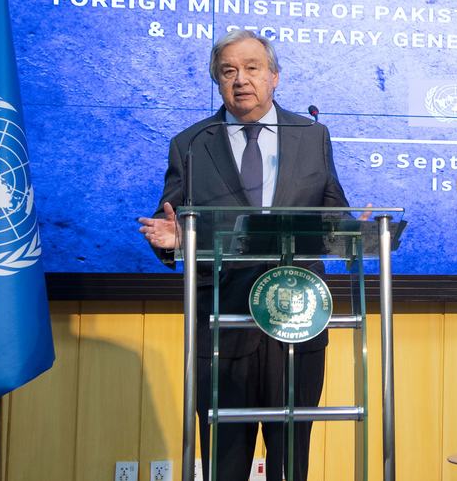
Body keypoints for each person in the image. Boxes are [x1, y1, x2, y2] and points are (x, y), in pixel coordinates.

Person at [137, 29, 348, 481]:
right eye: (228, 71)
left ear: (275, 77)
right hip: (222, 321)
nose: (241, 80)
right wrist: (176, 239)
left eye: (252, 68)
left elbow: (333, 213)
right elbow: (172, 220)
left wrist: (351, 228)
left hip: (296, 317)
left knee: (291, 456)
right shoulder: (191, 143)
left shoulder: (312, 135)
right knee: (224, 457)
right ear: (217, 82)